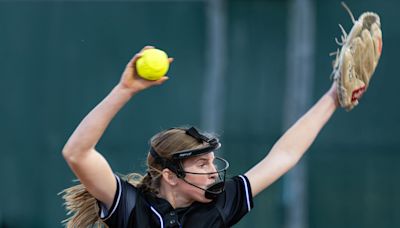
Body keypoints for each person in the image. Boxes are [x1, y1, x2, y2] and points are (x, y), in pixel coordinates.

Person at [61, 46, 339, 227]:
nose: (213, 172)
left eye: (212, 162)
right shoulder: (134, 210)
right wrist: (124, 90)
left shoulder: (219, 204)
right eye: (202, 164)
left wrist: (334, 97)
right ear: (170, 175)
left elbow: (285, 155)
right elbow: (77, 153)